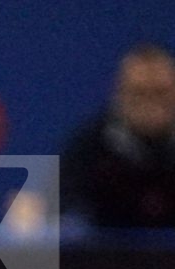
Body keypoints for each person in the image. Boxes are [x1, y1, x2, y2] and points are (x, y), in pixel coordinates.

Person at [63, 43, 175, 228]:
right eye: (139, 93)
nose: (150, 103)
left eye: (161, 92)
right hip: (106, 256)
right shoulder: (88, 148)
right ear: (119, 94)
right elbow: (64, 211)